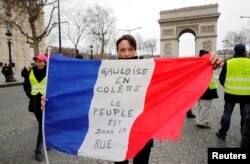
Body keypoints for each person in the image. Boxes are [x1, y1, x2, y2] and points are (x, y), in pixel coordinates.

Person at [41, 35, 224, 163]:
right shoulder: (105, 71)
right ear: (117, 51)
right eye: (122, 50)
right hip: (113, 131)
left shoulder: (151, 69)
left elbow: (177, 74)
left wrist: (209, 62)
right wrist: (52, 101)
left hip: (142, 128)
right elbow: (80, 90)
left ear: (135, 49)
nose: (126, 53)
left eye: (130, 49)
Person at [216, 44, 250, 141]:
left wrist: (227, 86)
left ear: (235, 51)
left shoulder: (228, 62)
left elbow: (221, 78)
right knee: (245, 116)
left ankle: (222, 133)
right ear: (245, 51)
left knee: (227, 114)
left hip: (231, 93)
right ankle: (244, 135)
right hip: (247, 94)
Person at [23, 53, 48, 162]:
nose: (38, 63)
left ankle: (45, 143)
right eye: (36, 61)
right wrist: (30, 94)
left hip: (48, 102)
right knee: (41, 125)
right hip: (35, 102)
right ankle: (38, 150)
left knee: (45, 124)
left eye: (40, 61)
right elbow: (26, 85)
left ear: (45, 62)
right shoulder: (31, 71)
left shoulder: (50, 71)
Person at [195, 50, 218, 129]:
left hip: (199, 88)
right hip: (207, 88)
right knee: (205, 106)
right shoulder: (207, 65)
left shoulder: (198, 65)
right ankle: (202, 121)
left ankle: (199, 119)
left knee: (200, 106)